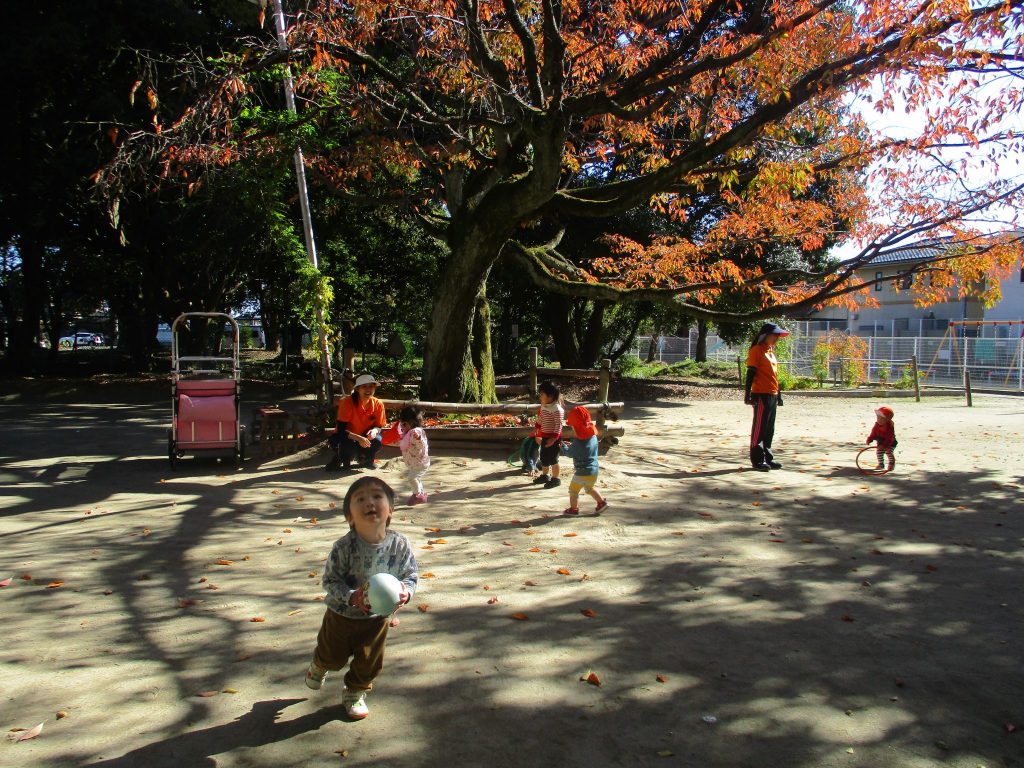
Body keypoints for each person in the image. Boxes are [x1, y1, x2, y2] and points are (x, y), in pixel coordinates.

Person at [304, 477, 418, 720]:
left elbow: (410, 576)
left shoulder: (400, 545)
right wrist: (351, 597)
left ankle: (355, 692)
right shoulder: (344, 547)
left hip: (377, 619)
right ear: (350, 517)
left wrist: (406, 592)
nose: (370, 502)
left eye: (377, 496)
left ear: (391, 509)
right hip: (341, 615)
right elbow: (330, 581)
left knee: (369, 661)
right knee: (332, 656)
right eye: (360, 499)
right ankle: (319, 665)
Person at [744, 322, 789, 471]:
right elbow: (750, 373)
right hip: (761, 394)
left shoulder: (771, 352)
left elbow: (774, 376)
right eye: (774, 334)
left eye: (778, 335)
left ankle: (767, 457)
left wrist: (779, 395)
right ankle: (757, 460)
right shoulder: (756, 350)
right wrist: (747, 395)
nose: (777, 337)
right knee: (760, 428)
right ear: (765, 335)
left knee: (769, 428)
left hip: (772, 394)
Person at [325, 374, 387, 472]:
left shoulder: (378, 404)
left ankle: (367, 459)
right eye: (364, 386)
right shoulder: (347, 402)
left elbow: (379, 425)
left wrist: (374, 431)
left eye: (371, 386)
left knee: (377, 441)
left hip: (365, 436)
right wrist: (358, 438)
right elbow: (341, 429)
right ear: (357, 389)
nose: (368, 389)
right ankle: (340, 459)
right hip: (346, 436)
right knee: (347, 446)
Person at [560, 405, 609, 515]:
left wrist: (563, 447)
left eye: (573, 427)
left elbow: (569, 453)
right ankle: (601, 503)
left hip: (582, 472)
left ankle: (574, 509)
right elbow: (585, 449)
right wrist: (572, 445)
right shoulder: (593, 437)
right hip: (594, 470)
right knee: (589, 488)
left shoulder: (577, 443)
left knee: (573, 491)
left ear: (577, 427)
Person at [532, 380, 564, 489]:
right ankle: (545, 476)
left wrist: (554, 439)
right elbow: (541, 418)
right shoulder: (544, 406)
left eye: (542, 394)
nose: (540, 397)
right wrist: (537, 426)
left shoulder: (557, 409)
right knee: (544, 457)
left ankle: (556, 478)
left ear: (550, 396)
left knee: (553, 459)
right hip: (545, 436)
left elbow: (558, 425)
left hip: (554, 438)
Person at [396, 405, 430, 505]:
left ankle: (417, 495)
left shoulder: (416, 432)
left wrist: (418, 438)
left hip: (420, 463)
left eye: (404, 424)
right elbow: (402, 443)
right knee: (416, 478)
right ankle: (421, 494)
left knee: (412, 478)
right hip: (414, 463)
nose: (402, 427)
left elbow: (421, 445)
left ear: (412, 423)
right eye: (401, 424)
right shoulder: (407, 433)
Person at [866, 405, 897, 471]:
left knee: (888, 451)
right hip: (881, 442)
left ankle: (891, 463)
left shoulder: (889, 427)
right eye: (878, 418)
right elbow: (873, 434)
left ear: (887, 419)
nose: (879, 420)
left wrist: (884, 445)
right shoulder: (876, 425)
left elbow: (889, 438)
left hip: (890, 443)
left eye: (882, 418)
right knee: (879, 452)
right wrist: (870, 439)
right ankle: (881, 464)